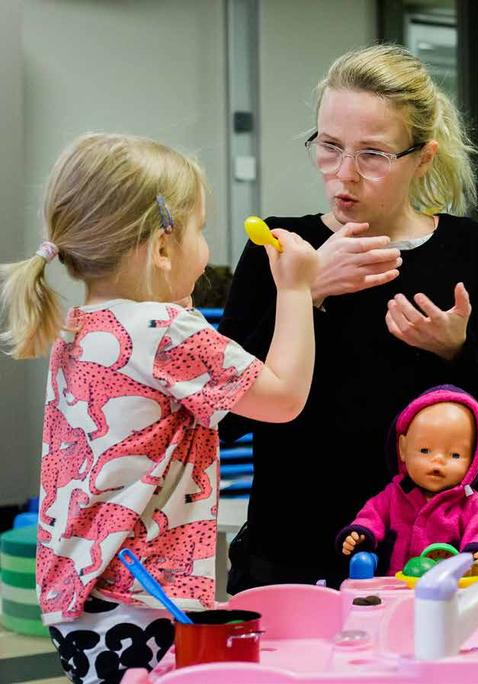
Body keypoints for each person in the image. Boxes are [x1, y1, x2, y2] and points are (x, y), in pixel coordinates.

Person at [218, 44, 478, 591]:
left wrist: (457, 353)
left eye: (372, 155)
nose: (343, 175)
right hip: (293, 553)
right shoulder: (281, 250)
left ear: (421, 157)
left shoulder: (470, 251)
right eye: (329, 147)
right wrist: (305, 294)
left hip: (432, 564)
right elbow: (224, 419)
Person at [0, 133, 320, 684]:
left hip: (80, 592)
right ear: (163, 247)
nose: (206, 248)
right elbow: (285, 397)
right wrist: (296, 291)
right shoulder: (163, 332)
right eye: (200, 230)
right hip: (142, 597)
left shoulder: (81, 327)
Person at [338, 385, 478, 575]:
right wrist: (360, 534)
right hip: (394, 586)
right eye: (424, 450)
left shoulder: (471, 504)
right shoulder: (393, 495)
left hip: (448, 590)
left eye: (455, 455)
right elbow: (372, 516)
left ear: (474, 459)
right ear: (403, 449)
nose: (438, 460)